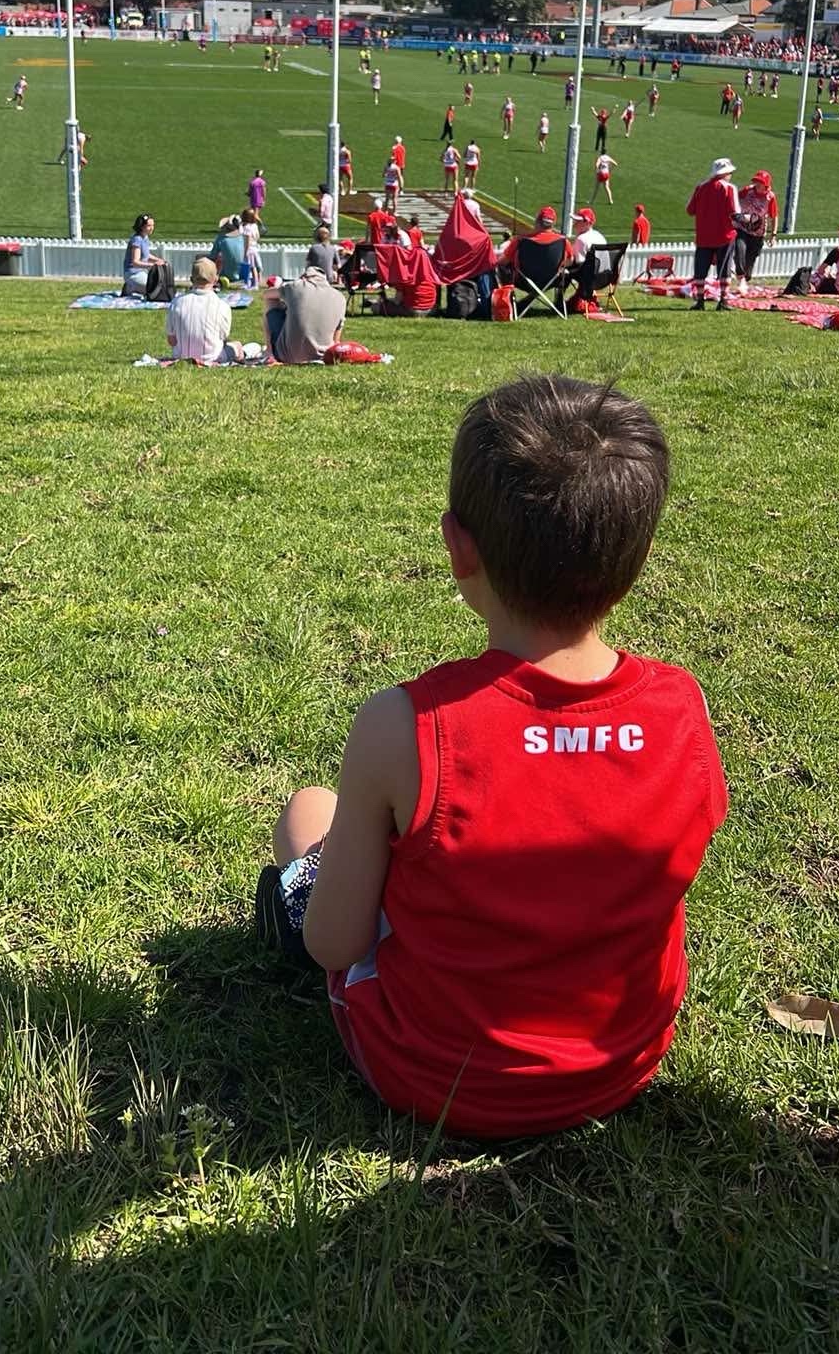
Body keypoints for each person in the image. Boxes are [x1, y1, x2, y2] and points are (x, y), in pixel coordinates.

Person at [256, 373, 727, 1136]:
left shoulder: (406, 725)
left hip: (430, 1076)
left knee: (309, 809)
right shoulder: (682, 709)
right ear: (636, 558)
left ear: (458, 547)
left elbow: (334, 943)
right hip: (620, 1066)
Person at [167, 257, 243, 365]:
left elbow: (171, 340)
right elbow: (223, 336)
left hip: (181, 356)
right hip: (213, 357)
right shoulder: (222, 306)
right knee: (237, 345)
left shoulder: (176, 303)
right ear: (215, 279)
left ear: (191, 279)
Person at [264, 265, 345, 364]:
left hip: (287, 356)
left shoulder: (295, 286)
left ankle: (269, 351)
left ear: (304, 278)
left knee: (271, 301)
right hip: (324, 355)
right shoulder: (340, 297)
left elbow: (266, 294)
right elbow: (336, 340)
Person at [686, 158, 738, 311]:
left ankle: (700, 300)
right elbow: (735, 213)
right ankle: (723, 300)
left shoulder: (700, 187)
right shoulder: (729, 189)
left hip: (703, 236)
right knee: (724, 268)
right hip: (724, 235)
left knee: (700, 269)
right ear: (726, 173)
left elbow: (690, 210)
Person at [732, 170, 778, 294]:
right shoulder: (747, 191)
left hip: (758, 233)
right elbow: (733, 199)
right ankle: (740, 278)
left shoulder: (770, 197)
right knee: (740, 250)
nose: (757, 184)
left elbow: (774, 216)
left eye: (760, 182)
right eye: (756, 181)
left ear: (766, 184)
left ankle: (744, 278)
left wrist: (773, 235)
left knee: (749, 264)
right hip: (741, 228)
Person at [123, 214, 166, 298]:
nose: (152, 228)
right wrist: (153, 265)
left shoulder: (145, 238)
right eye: (149, 226)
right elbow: (135, 262)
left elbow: (146, 255)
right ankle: (130, 286)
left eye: (153, 225)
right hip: (133, 274)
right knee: (153, 290)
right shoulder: (137, 240)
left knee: (158, 288)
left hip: (142, 272)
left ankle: (132, 287)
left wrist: (159, 260)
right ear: (141, 227)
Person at [210, 215, 246, 280]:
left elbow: (212, 256)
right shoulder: (241, 238)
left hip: (226, 274)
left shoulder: (221, 238)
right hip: (241, 273)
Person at [240, 208, 263, 288]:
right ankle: (255, 282)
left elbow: (247, 240)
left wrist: (245, 251)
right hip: (254, 248)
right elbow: (258, 237)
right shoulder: (254, 226)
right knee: (255, 267)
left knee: (251, 268)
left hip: (249, 250)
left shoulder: (246, 228)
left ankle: (253, 284)